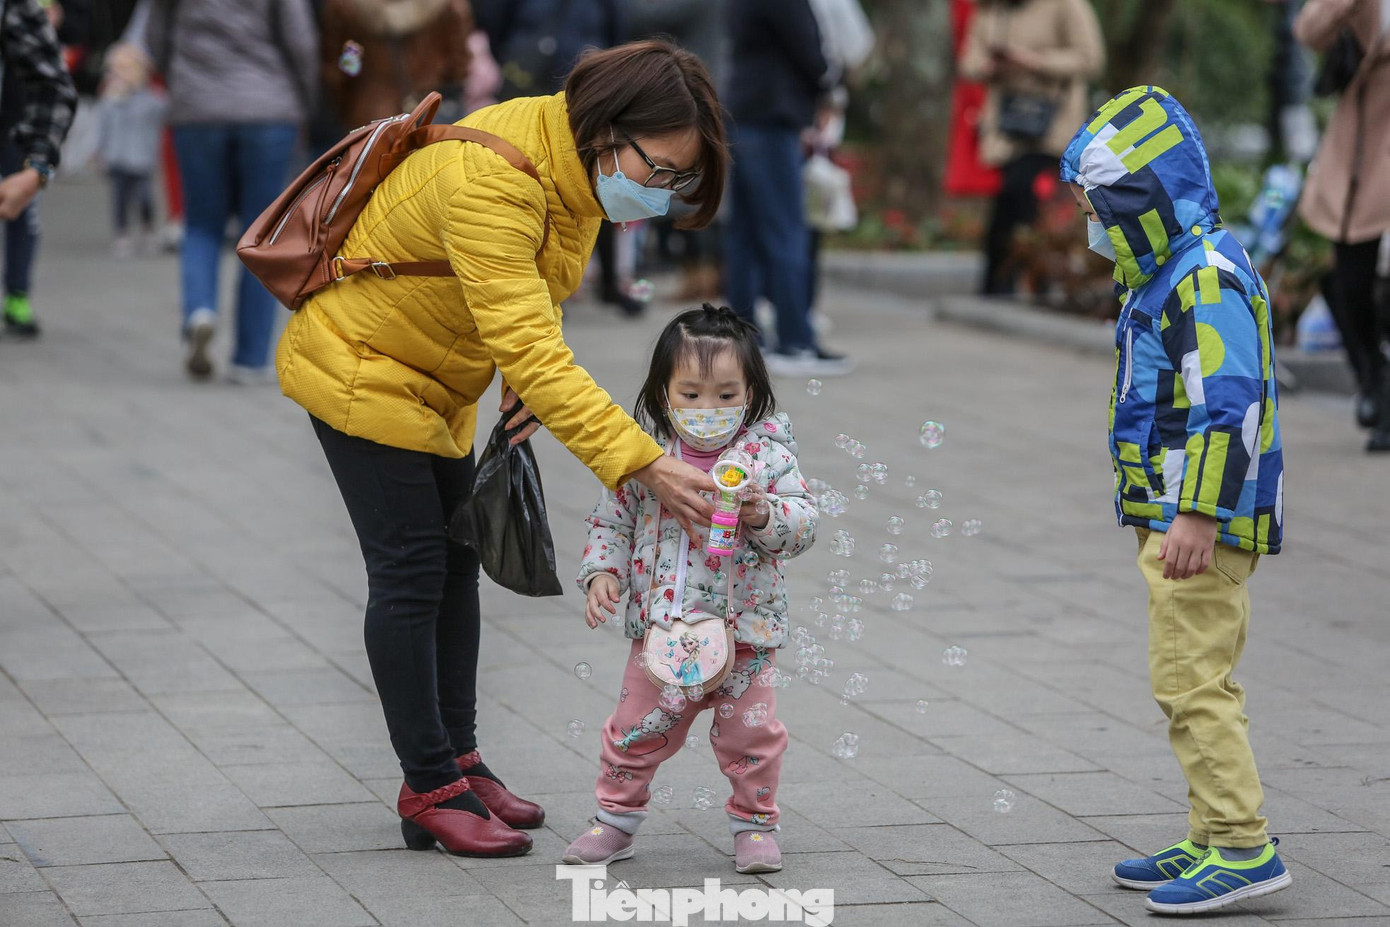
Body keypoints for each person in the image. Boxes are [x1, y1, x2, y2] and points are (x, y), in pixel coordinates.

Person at [275, 40, 729, 859]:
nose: (659, 192)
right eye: (657, 170)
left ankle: (461, 761)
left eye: (676, 179)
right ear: (607, 133)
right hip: (361, 368)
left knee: (456, 562)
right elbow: (531, 341)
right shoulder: (497, 179)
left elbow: (533, 293)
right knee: (411, 572)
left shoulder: (573, 166)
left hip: (432, 377)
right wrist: (640, 460)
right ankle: (427, 785)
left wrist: (519, 377)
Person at [1061, 86, 1290, 915]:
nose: (1093, 228)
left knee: (1192, 678)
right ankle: (1207, 832)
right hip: (1175, 514)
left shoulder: (1203, 280)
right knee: (1186, 673)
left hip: (1200, 520)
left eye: (1099, 210)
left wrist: (1197, 511)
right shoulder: (1166, 274)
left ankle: (1243, 844)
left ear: (1141, 200)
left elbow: (1229, 404)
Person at [562, 305, 816, 873]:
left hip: (745, 633)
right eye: (692, 394)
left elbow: (801, 526)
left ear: (751, 393)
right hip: (663, 630)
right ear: (662, 393)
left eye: (727, 395)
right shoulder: (643, 460)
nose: (710, 409)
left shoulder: (768, 459)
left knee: (752, 736)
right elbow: (612, 522)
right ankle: (614, 822)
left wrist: (761, 512)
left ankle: (754, 825)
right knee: (634, 731)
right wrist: (603, 573)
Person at [144, 0, 317, 382]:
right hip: (267, 108)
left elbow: (155, 38)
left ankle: (200, 311)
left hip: (197, 110)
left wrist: (184, 81)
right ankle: (250, 358)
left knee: (201, 225)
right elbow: (300, 41)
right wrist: (307, 101)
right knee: (263, 235)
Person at [724, 0, 852, 377]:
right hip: (774, 115)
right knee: (786, 231)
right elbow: (809, 49)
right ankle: (795, 340)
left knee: (744, 234)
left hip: (743, 110)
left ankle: (743, 340)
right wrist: (829, 82)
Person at [1293, 0, 1390, 451]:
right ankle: (1375, 380)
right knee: (1350, 282)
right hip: (1363, 152)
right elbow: (1308, 32)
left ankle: (1382, 398)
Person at [961, 0, 1103, 297]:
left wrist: (1034, 61)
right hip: (1007, 126)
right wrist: (992, 65)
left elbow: (1091, 58)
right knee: (1011, 201)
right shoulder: (992, 8)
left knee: (1023, 195)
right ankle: (1005, 282)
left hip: (1052, 124)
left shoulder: (1067, 5)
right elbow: (969, 60)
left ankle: (1016, 280)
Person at [0, 0, 78, 338]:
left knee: (19, 207)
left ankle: (17, 294)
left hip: (15, 121)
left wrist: (38, 168)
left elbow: (53, 85)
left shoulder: (14, 8)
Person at [318, 0, 474, 134]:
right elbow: (459, 63)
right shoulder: (448, 6)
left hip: (372, 119)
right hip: (431, 111)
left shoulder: (346, 8)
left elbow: (346, 69)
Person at [96, 42, 166, 257]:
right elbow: (103, 127)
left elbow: (163, 111)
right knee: (119, 199)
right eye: (117, 69)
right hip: (117, 158)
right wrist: (99, 152)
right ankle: (122, 234)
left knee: (145, 197)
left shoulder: (152, 99)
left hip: (142, 158)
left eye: (127, 68)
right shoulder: (110, 101)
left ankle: (148, 229)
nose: (121, 74)